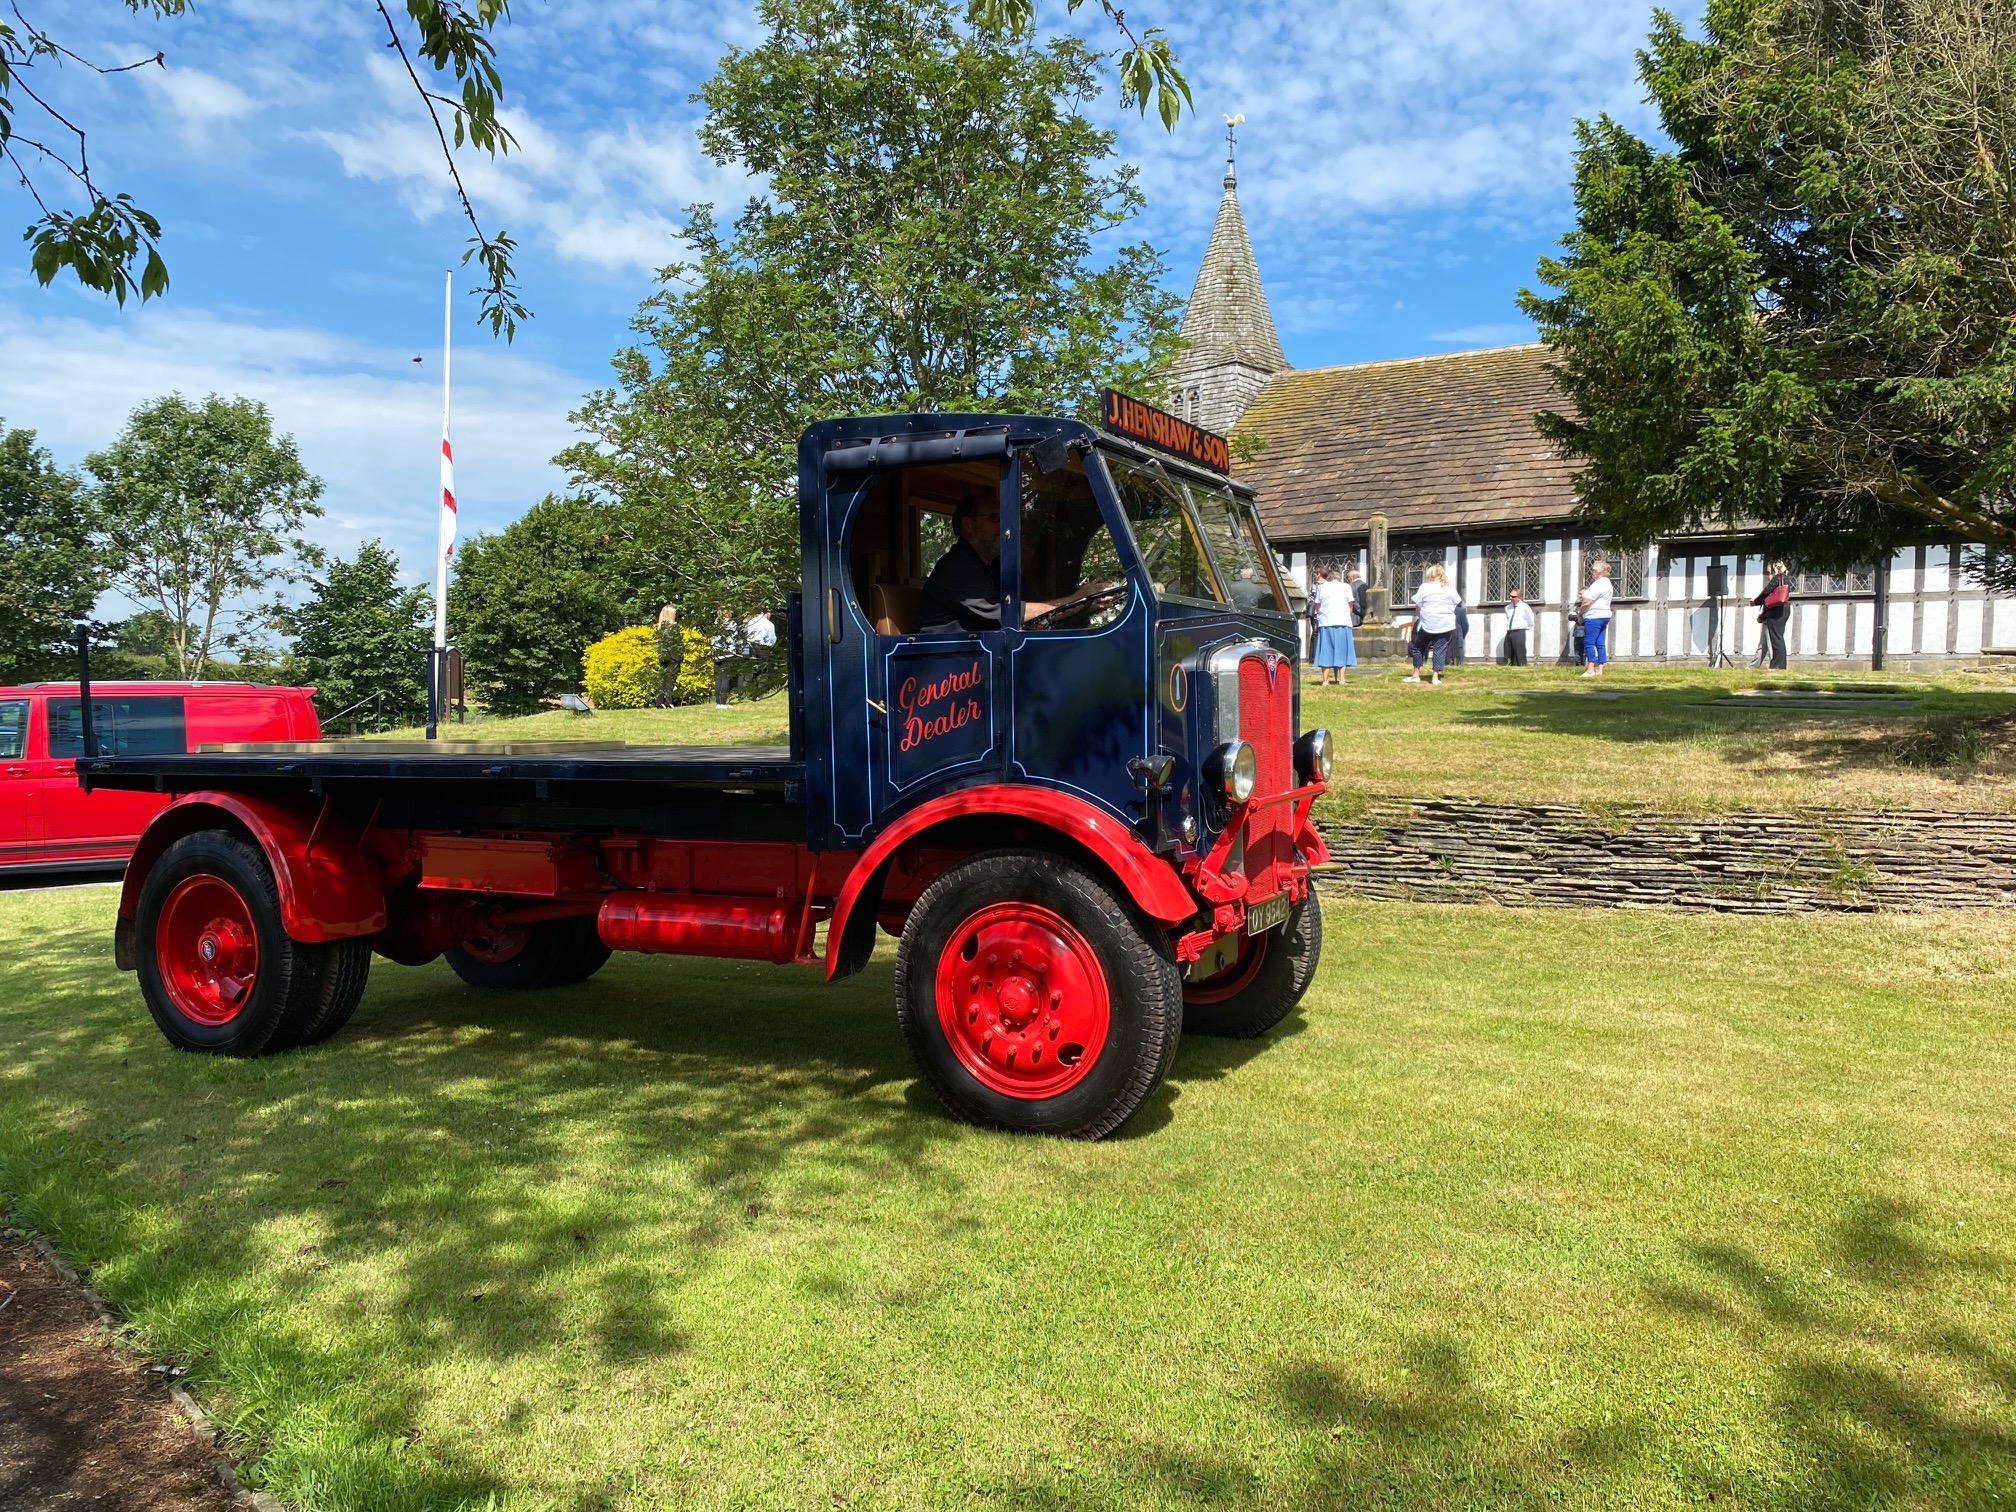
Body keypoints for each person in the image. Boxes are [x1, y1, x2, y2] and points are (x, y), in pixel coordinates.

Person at [915, 492, 1102, 633]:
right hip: (950, 669)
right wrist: (1075, 601)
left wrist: (1082, 605)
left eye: (1005, 518)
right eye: (995, 518)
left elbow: (1036, 605)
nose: (1004, 525)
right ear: (968, 526)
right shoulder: (956, 568)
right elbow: (1008, 615)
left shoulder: (996, 564)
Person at [1404, 563, 1463, 686]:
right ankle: (1435, 677)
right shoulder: (1449, 588)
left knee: (1418, 647)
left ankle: (1416, 675)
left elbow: (1418, 606)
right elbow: (1457, 602)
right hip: (1445, 623)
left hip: (1428, 622)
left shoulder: (1425, 587)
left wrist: (1422, 616)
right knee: (1440, 649)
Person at [1308, 569, 1356, 685]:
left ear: (1329, 578)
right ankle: (1342, 679)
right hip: (1342, 621)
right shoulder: (1346, 587)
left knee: (1326, 649)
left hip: (1326, 621)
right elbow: (1350, 606)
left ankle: (1325, 680)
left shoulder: (1322, 587)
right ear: (1339, 578)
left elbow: (1318, 605)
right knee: (1341, 649)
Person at [1579, 559, 1614, 677]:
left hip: (1594, 616)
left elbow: (1587, 602)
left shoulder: (1598, 584)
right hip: (1605, 615)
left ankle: (1590, 669)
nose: (1592, 572)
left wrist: (1580, 614)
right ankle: (1600, 669)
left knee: (1589, 642)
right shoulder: (1607, 583)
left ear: (1599, 571)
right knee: (1600, 642)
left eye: (1593, 570)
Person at [1753, 560, 1791, 669]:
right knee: (1779, 638)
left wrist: (1756, 601)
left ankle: (1776, 665)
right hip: (1784, 610)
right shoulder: (1786, 579)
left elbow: (1766, 592)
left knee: (1776, 640)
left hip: (1776, 611)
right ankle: (1781, 665)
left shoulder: (1778, 578)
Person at [1503, 588, 1534, 665]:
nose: (1510, 598)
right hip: (1510, 631)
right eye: (1510, 596)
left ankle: (1522, 665)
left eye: (1513, 597)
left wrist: (1524, 628)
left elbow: (1530, 620)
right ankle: (1511, 665)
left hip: (1519, 631)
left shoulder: (1524, 607)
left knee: (1519, 651)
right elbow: (1508, 619)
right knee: (1509, 650)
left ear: (1518, 597)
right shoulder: (1507, 608)